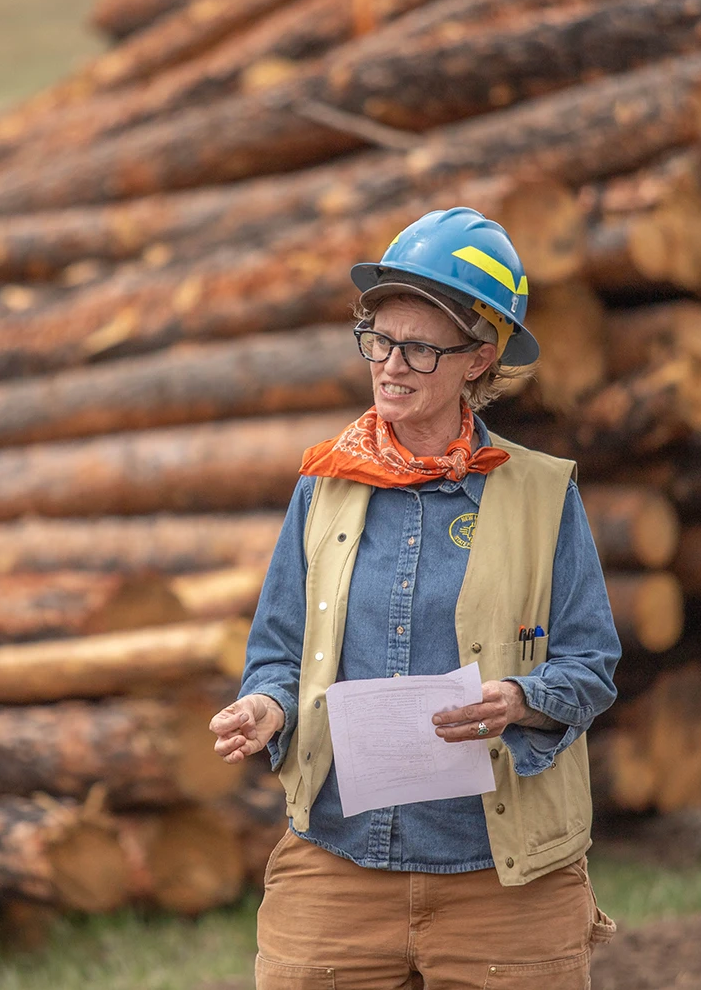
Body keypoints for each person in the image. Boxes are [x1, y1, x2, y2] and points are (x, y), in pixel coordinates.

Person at [210, 207, 623, 989]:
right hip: (337, 862)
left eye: (420, 348)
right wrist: (269, 706)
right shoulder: (325, 482)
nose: (390, 365)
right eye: (379, 340)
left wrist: (520, 698)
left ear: (480, 356)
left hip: (504, 879)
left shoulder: (541, 494)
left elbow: (593, 663)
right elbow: (277, 650)